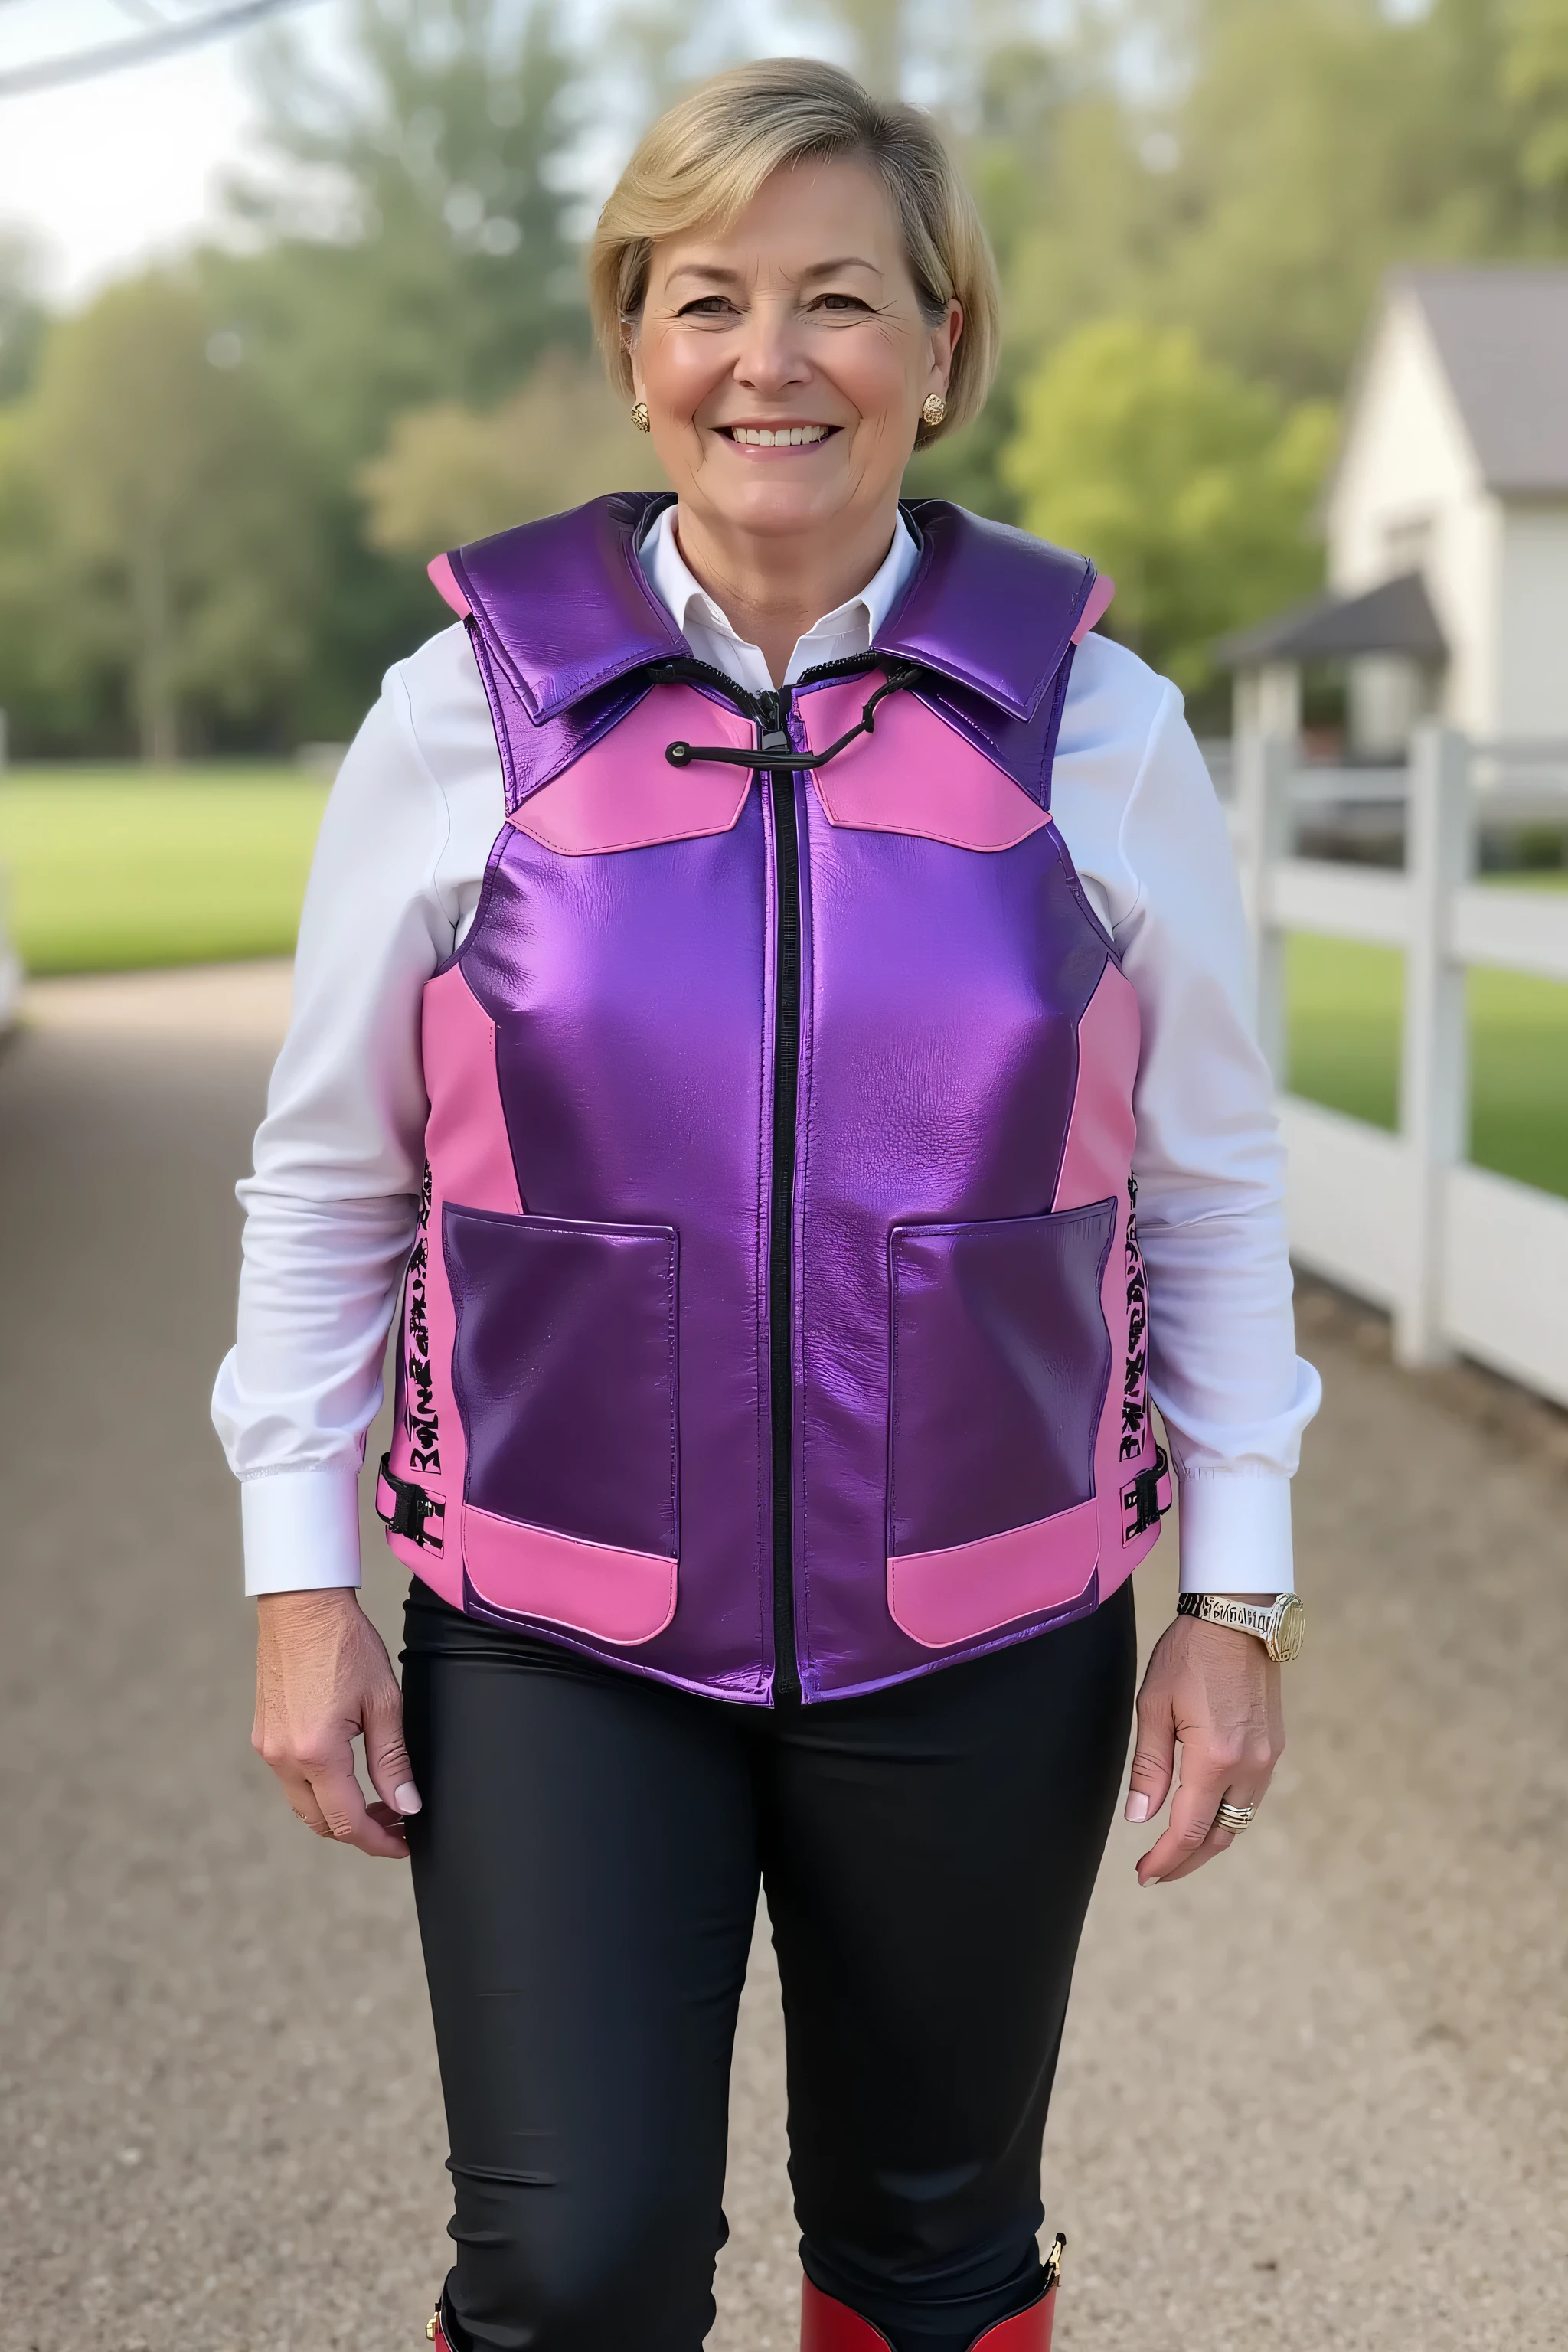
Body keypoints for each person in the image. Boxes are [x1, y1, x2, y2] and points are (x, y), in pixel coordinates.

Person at [214, 56, 1319, 2352]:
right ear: (635, 345)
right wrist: (300, 1582)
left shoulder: (1100, 726)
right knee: (575, 2267)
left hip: (982, 1634)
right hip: (558, 1630)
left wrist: (1240, 1595)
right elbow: (330, 1182)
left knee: (933, 2267)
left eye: (840, 298)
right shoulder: (458, 718)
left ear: (940, 344)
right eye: (708, 298)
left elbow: (1209, 1189)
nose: (770, 359)